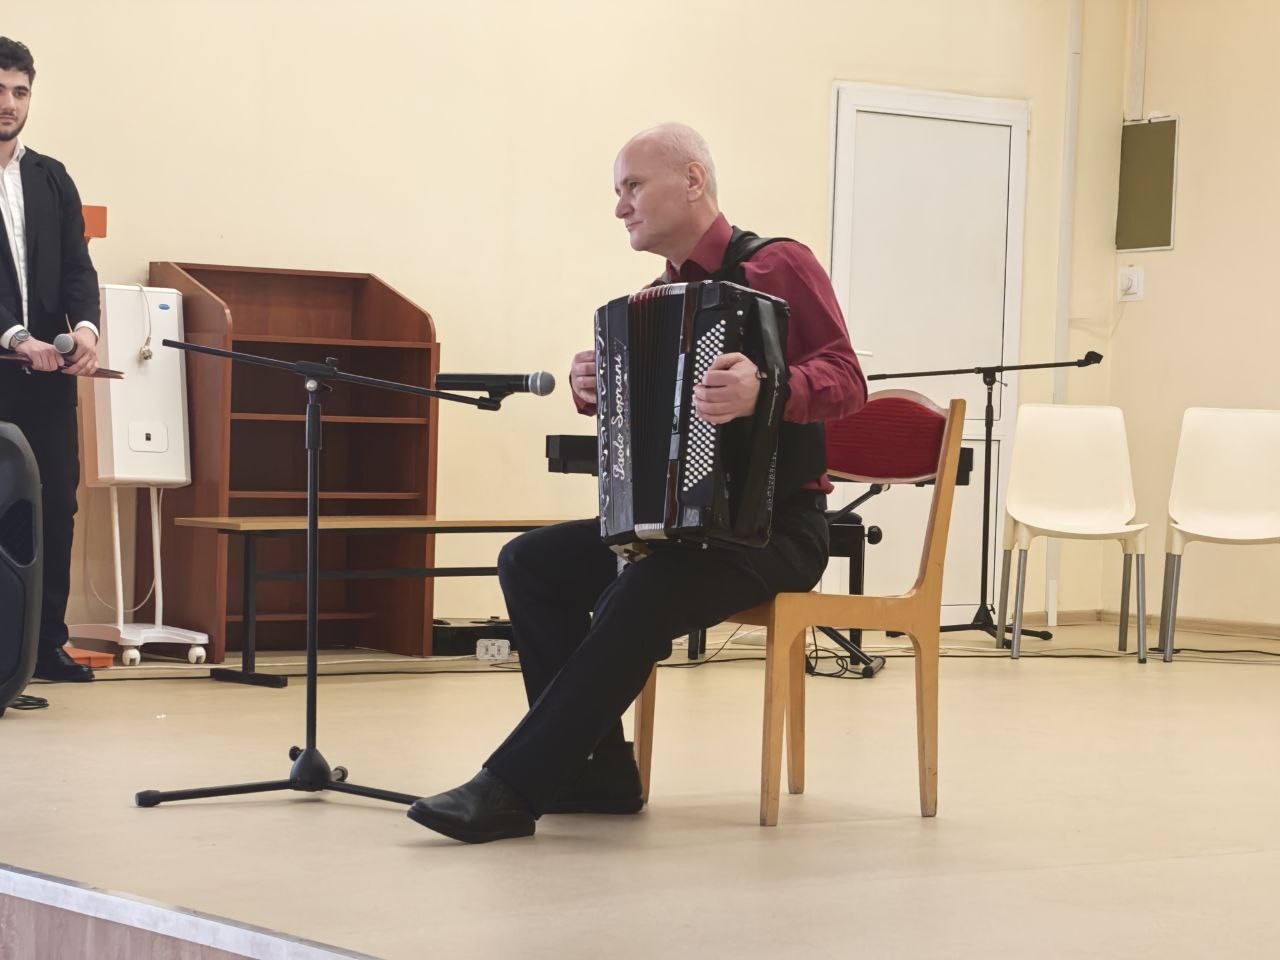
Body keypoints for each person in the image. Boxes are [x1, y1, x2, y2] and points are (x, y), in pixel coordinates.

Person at [407, 123, 866, 842]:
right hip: (684, 528)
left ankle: (514, 786)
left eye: (632, 186)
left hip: (775, 529)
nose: (620, 206)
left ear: (692, 180)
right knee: (530, 561)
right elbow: (648, 431)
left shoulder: (777, 264)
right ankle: (598, 774)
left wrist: (769, 385)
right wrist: (598, 385)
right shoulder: (655, 300)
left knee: (643, 587)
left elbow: (847, 378)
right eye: (617, 191)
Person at [0, 37, 101, 683]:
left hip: (47, 378)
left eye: (20, 91)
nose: (9, 103)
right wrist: (14, 337)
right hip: (4, 364)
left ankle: (44, 646)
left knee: (55, 504)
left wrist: (85, 327)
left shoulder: (51, 177)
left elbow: (77, 267)